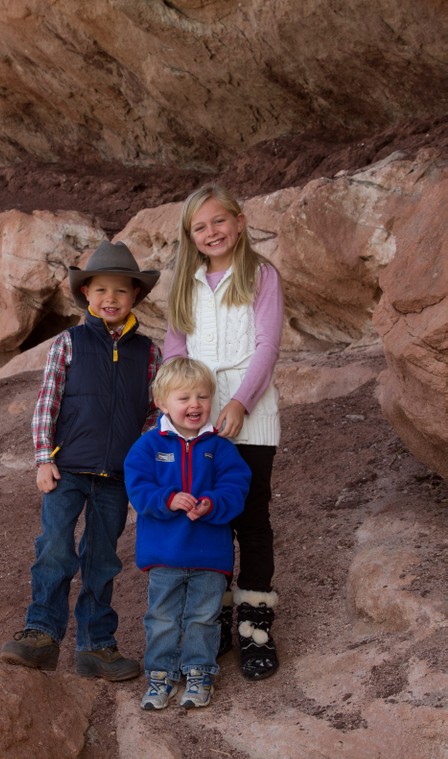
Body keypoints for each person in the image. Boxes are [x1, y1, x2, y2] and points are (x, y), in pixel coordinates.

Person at [0, 240, 161, 681]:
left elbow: (153, 412)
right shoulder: (68, 343)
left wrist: (142, 460)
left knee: (103, 558)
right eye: (101, 290)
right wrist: (41, 458)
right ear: (86, 294)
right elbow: (47, 402)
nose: (111, 299)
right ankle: (40, 634)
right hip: (66, 468)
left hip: (116, 477)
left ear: (135, 297)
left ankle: (96, 646)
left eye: (121, 291)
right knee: (54, 549)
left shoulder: (147, 353)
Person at [163, 183, 285, 681]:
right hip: (196, 418)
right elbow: (175, 350)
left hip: (250, 416)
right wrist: (175, 413)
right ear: (190, 237)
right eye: (200, 227)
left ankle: (257, 625)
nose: (211, 232)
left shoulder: (260, 275)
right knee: (207, 517)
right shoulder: (185, 285)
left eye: (219, 221)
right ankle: (215, 619)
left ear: (238, 222)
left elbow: (267, 346)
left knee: (251, 519)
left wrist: (240, 401)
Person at [124, 357, 251, 710]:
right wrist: (167, 498)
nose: (194, 405)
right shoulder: (148, 447)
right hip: (164, 554)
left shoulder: (221, 448)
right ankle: (161, 676)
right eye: (184, 398)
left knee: (203, 617)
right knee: (162, 617)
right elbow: (137, 487)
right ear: (162, 403)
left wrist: (211, 503)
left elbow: (236, 487)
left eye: (202, 396)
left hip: (210, 555)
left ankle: (199, 672)